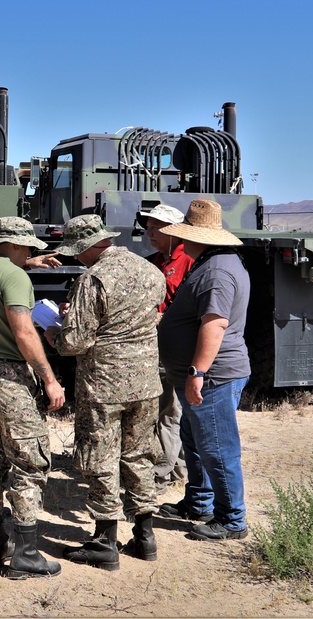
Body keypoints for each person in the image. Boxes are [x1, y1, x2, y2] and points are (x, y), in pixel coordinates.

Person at [44, 215, 165, 570]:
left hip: (105, 385)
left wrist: (53, 332)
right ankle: (145, 536)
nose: (76, 258)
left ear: (86, 246)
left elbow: (73, 343)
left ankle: (104, 540)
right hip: (145, 382)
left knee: (100, 458)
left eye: (76, 252)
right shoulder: (149, 271)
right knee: (139, 455)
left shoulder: (93, 278)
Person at [0, 216, 65, 580]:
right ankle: (26, 553)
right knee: (30, 460)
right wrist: (50, 379)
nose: (30, 252)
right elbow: (23, 332)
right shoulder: (15, 277)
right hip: (10, 375)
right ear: (14, 244)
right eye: (27, 247)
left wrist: (28, 264)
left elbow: (2, 276)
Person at [157, 199, 252, 541]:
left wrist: (197, 372)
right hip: (206, 375)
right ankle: (199, 503)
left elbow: (215, 325)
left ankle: (231, 520)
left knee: (216, 446)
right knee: (195, 440)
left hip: (213, 376)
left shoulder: (216, 272)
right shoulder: (212, 265)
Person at [138, 204, 194, 493]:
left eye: (155, 228)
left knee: (169, 410)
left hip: (174, 346)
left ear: (173, 230)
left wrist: (164, 316)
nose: (149, 233)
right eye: (147, 228)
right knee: (169, 410)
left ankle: (160, 475)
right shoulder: (156, 261)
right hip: (159, 344)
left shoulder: (187, 261)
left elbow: (188, 304)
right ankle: (178, 469)